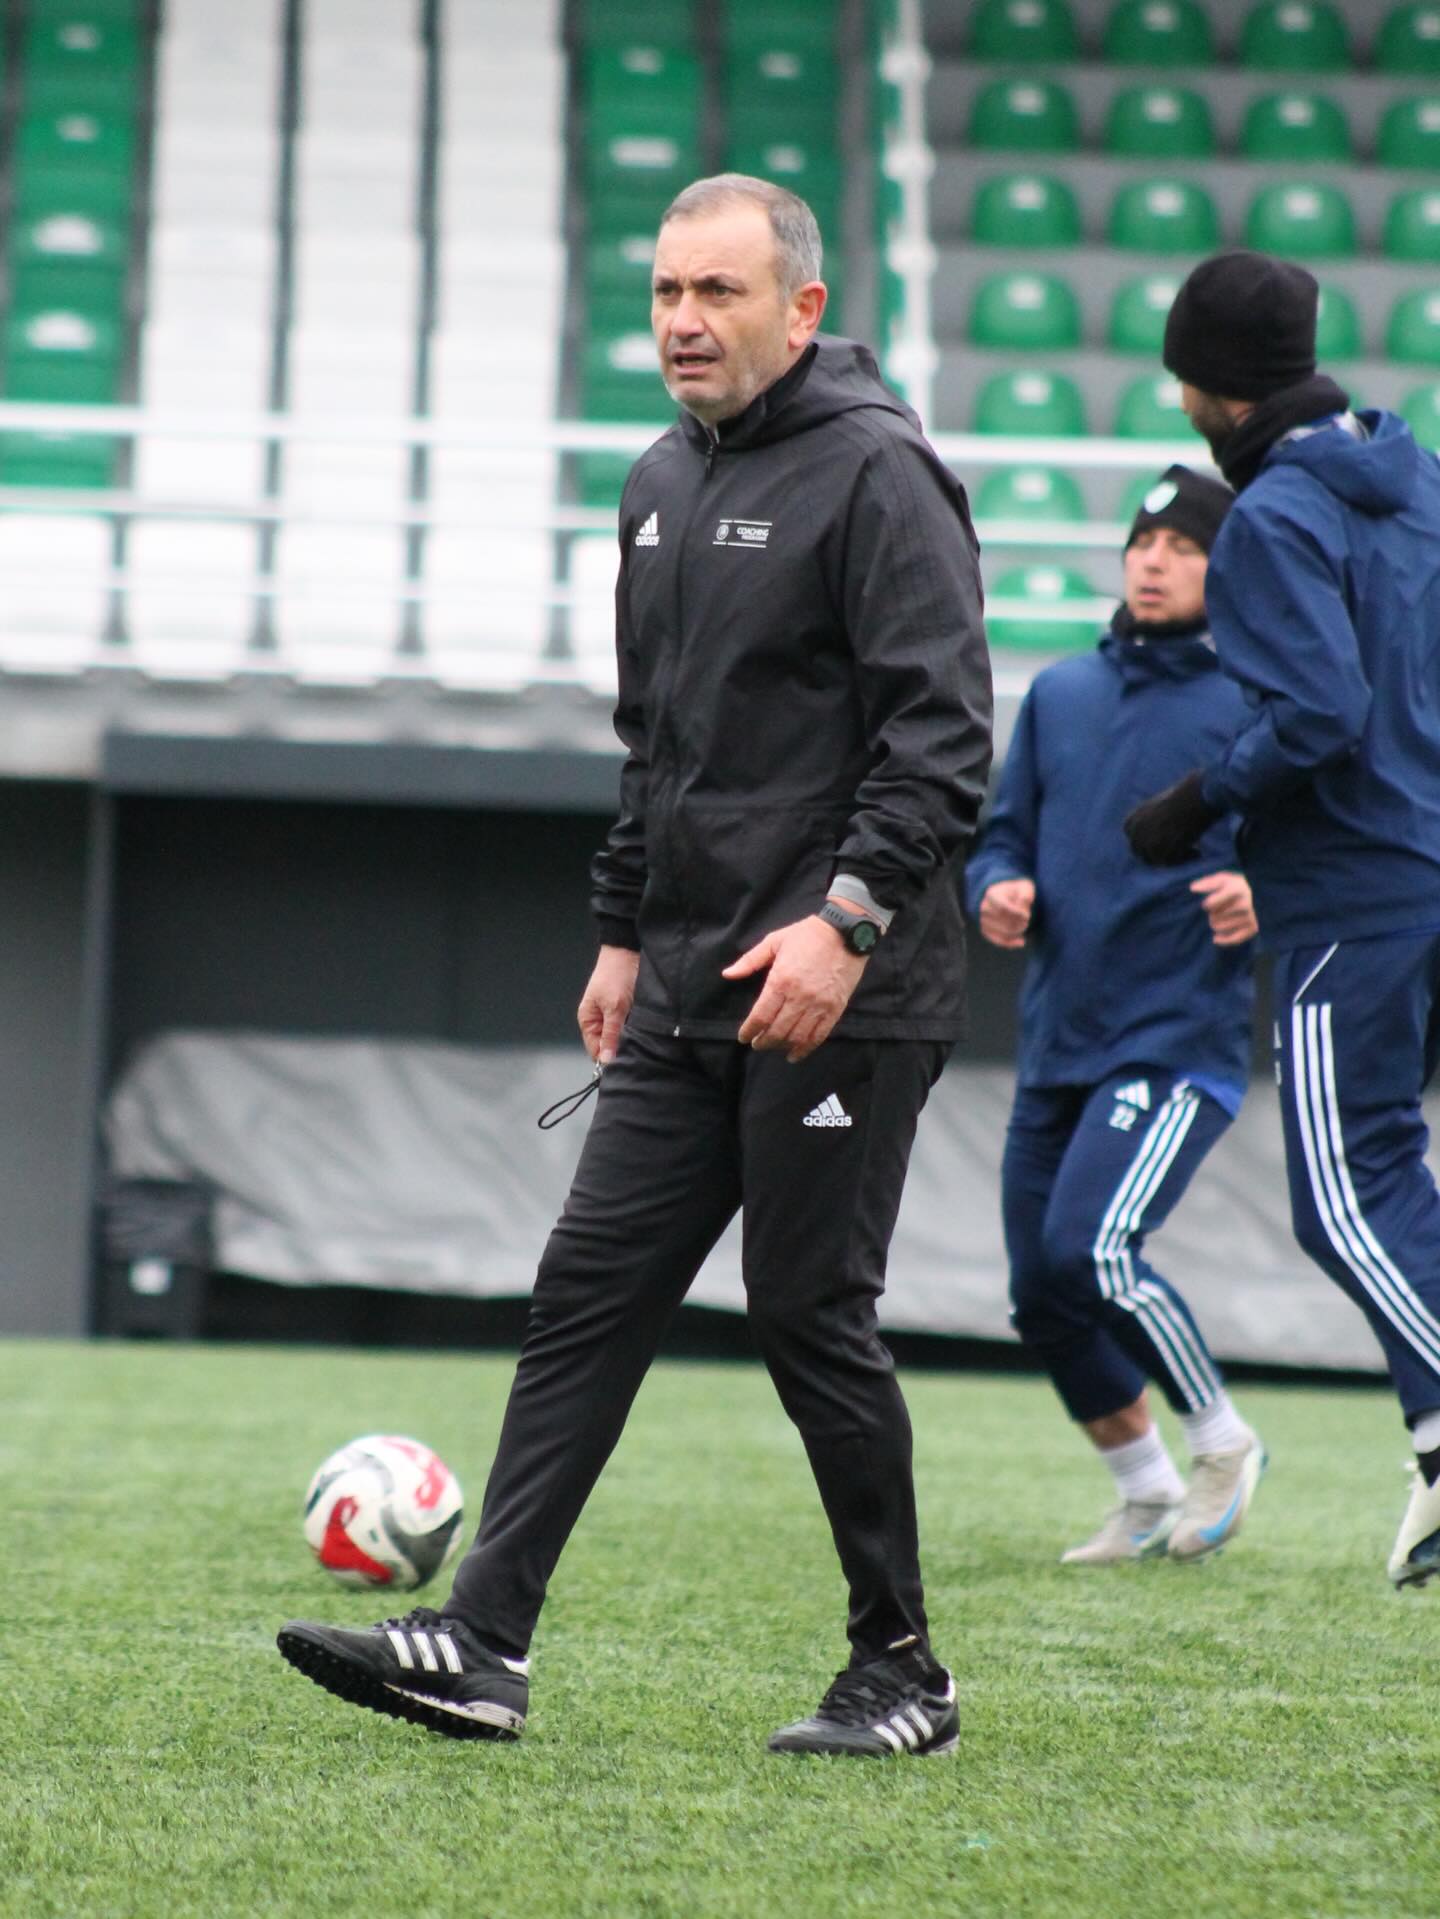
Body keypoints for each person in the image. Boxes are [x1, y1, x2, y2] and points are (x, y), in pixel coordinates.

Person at [277, 175, 993, 1753]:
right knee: (586, 1294)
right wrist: (619, 927)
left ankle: (903, 1669)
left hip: (840, 985)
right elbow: (653, 744)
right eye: (667, 290)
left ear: (801, 309)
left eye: (718, 291)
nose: (683, 320)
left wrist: (847, 922)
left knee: (808, 1313)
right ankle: (480, 1642)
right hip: (682, 982)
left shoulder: (881, 472)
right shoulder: (659, 479)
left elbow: (944, 738)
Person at [1125, 248, 1440, 1590]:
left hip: (1350, 887)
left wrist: (1195, 800)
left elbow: (1316, 713)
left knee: (1347, 1191)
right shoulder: (1416, 477)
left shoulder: (1269, 520)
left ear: (1213, 385)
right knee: (1391, 1173)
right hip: (1424, 856)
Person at [967, 467, 1265, 1564]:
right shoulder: (1061, 692)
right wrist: (994, 885)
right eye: (1144, 540)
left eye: (1183, 546)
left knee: (1093, 1248)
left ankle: (1223, 1442)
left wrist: (1263, 892)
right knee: (1041, 1292)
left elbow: (1318, 851)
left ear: (1224, 570)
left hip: (1176, 1041)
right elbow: (1003, 833)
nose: (1154, 560)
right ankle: (1144, 1492)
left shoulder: (1257, 703)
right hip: (1061, 1036)